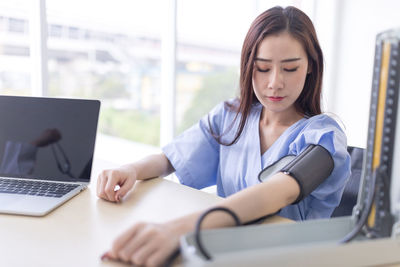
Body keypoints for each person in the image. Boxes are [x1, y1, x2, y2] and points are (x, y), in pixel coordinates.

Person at [98, 6, 351, 266]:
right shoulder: (230, 117)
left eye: (290, 69)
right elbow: (172, 159)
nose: (275, 82)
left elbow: (279, 192)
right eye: (263, 69)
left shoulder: (325, 138)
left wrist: (180, 230)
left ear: (310, 66)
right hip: (221, 253)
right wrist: (131, 169)